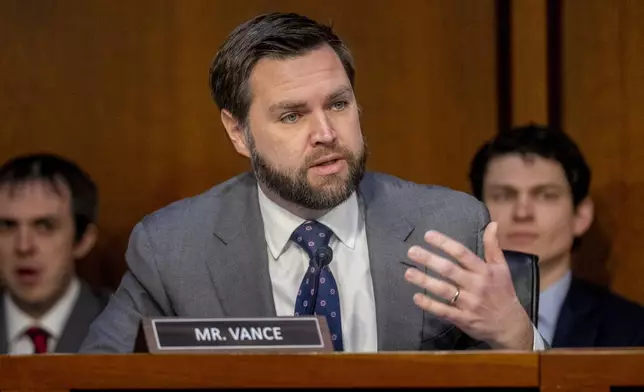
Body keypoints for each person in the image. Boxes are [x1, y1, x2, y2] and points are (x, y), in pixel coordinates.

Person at [80, 12, 545, 353]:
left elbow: (509, 376)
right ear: (238, 131)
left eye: (338, 104)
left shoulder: (450, 226)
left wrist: (517, 335)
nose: (325, 133)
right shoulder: (173, 248)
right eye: (292, 115)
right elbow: (94, 380)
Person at [469, 124, 644, 347]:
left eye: (546, 195)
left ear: (580, 216)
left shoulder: (632, 331)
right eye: (503, 196)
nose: (523, 213)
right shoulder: (439, 327)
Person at [0, 153, 111, 354]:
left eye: (45, 226)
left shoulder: (129, 330)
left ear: (83, 240)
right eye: (7, 226)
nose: (24, 247)